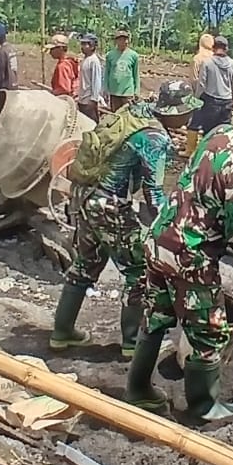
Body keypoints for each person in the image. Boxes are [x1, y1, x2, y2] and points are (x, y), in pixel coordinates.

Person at [124, 104, 233, 420]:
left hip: (159, 240)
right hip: (189, 256)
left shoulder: (223, 131)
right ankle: (204, 408)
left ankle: (137, 390)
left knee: (157, 315)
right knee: (210, 331)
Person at [50, 81, 200, 359]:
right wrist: (172, 227)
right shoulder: (155, 138)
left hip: (84, 196)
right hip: (109, 205)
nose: (190, 117)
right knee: (138, 271)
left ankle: (61, 333)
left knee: (85, 264)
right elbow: (154, 192)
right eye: (187, 112)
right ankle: (132, 343)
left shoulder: (137, 113)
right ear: (174, 111)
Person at [185, 35, 233, 158]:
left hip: (211, 101)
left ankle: (206, 157)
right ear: (227, 48)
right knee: (223, 131)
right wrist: (232, 101)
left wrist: (197, 100)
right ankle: (220, 156)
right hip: (227, 101)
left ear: (214, 48)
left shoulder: (207, 63)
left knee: (208, 132)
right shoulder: (232, 64)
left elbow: (202, 84)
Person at [104, 30, 141, 113]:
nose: (123, 42)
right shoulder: (110, 55)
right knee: (115, 116)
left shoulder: (133, 55)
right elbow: (107, 73)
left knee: (128, 116)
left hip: (127, 92)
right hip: (114, 92)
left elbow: (136, 74)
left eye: (125, 39)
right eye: (120, 39)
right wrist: (105, 88)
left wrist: (137, 91)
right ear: (116, 41)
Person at [75, 33, 105, 121]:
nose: (82, 46)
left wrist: (94, 99)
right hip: (82, 98)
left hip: (89, 100)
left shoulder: (94, 61)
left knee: (91, 124)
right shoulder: (85, 60)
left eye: (85, 44)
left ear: (92, 46)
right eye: (82, 44)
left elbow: (96, 81)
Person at [0, 22, 18, 92]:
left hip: (5, 88)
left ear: (0, 36)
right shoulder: (10, 48)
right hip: (13, 85)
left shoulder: (2, 52)